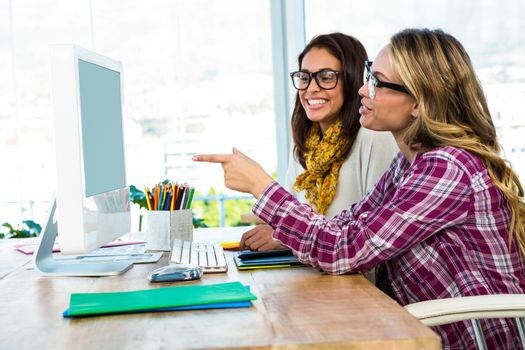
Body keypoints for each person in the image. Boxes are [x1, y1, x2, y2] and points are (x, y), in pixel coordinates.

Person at [193, 28, 525, 349]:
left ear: (419, 103)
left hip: (469, 339)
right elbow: (345, 226)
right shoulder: (408, 166)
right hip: (424, 330)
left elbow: (342, 250)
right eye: (370, 76)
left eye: (379, 83)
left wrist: (261, 186)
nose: (364, 91)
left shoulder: (447, 168)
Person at [240, 33, 397, 252]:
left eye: (326, 77)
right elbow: (289, 217)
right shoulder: (305, 146)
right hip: (317, 274)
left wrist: (284, 238)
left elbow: (372, 236)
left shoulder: (374, 136)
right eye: (305, 77)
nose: (311, 88)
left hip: (358, 281)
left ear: (351, 81)